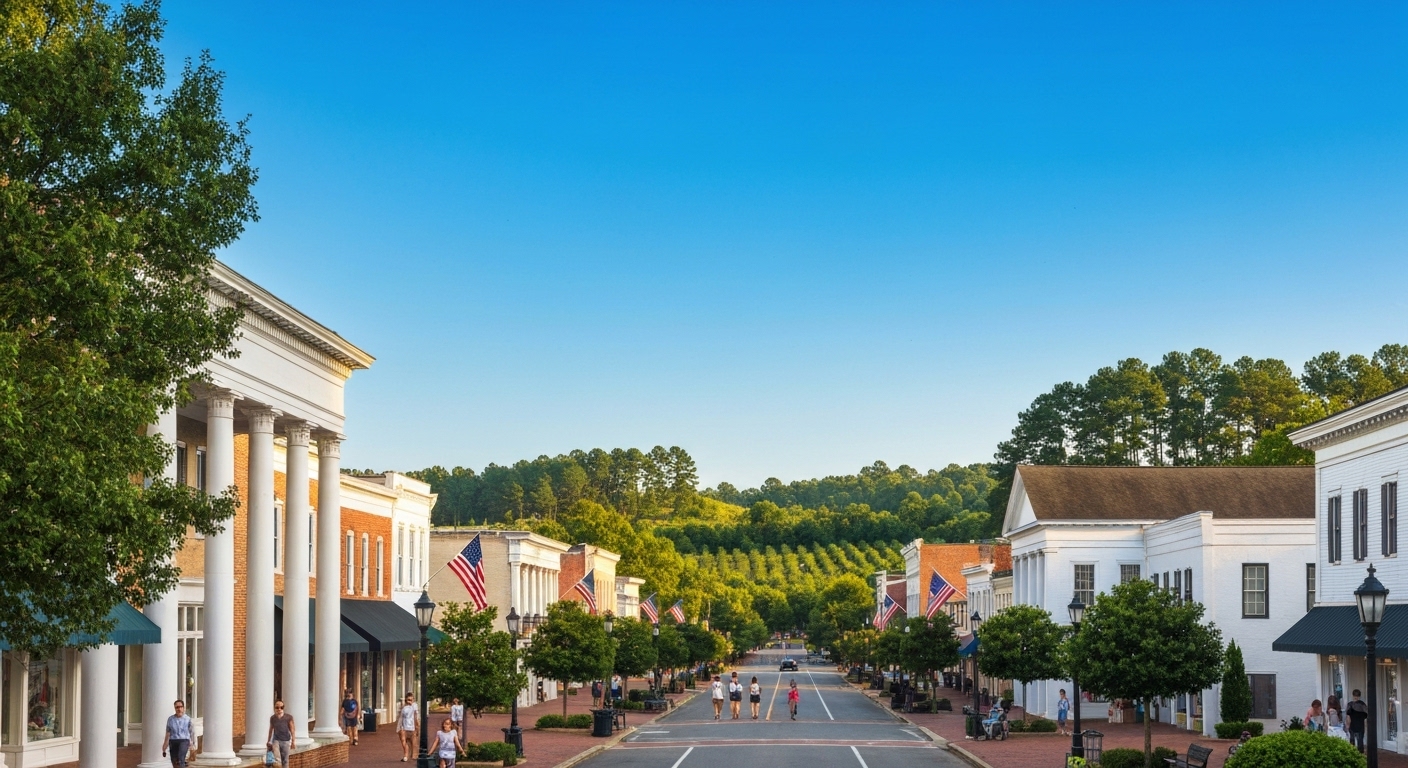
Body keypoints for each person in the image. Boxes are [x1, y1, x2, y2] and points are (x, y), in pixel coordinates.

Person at [161, 700, 194, 768]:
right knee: (174, 760)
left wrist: (193, 743)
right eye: (177, 707)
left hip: (184, 740)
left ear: (183, 708)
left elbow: (192, 732)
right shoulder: (170, 719)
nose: (179, 709)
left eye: (181, 707)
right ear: (175, 708)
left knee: (180, 758)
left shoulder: (187, 719)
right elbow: (168, 732)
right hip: (173, 741)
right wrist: (165, 745)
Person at [265, 700, 295, 768]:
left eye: (281, 707)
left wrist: (293, 741)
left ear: (283, 708)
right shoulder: (272, 718)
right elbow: (271, 730)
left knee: (285, 760)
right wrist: (268, 741)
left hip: (286, 740)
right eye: (277, 707)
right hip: (276, 740)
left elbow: (292, 730)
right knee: (277, 759)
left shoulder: (288, 717)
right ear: (274, 708)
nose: (279, 709)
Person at [398, 693, 419, 762]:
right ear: (406, 700)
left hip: (412, 727)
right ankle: (405, 755)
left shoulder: (414, 706)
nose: (409, 701)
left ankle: (413, 755)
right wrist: (399, 727)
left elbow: (416, 716)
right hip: (403, 727)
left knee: (413, 743)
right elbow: (401, 717)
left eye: (411, 700)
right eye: (408, 700)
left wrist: (417, 727)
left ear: (413, 700)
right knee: (403, 741)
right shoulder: (404, 707)